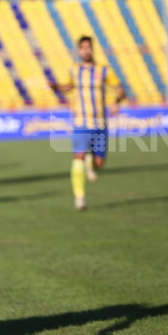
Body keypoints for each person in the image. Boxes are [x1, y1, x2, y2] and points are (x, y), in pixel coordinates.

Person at [49, 35, 125, 210]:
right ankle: (79, 197)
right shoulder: (74, 70)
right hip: (80, 122)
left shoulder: (104, 70)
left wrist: (116, 101)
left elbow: (120, 89)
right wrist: (56, 87)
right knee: (78, 156)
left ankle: (92, 161)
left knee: (99, 164)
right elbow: (68, 87)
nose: (86, 50)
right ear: (78, 50)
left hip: (100, 123)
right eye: (82, 47)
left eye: (88, 47)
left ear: (93, 49)